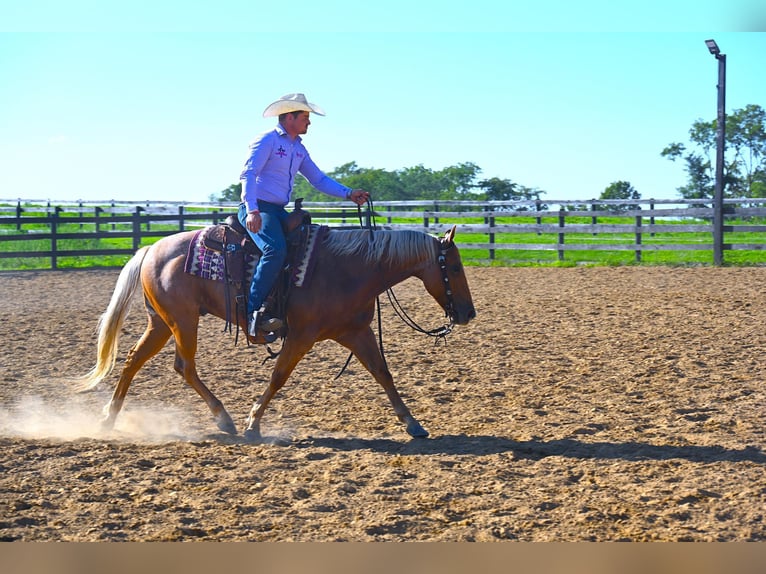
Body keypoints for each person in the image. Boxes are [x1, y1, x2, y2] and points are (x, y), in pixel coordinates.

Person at [238, 93, 370, 338]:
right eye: (305, 117)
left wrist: (348, 193)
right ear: (290, 117)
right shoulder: (267, 140)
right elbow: (248, 174)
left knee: (308, 248)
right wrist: (252, 210)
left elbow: (318, 179)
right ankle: (252, 313)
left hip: (278, 210)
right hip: (260, 208)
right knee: (274, 250)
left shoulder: (298, 148)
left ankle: (286, 306)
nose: (309, 122)